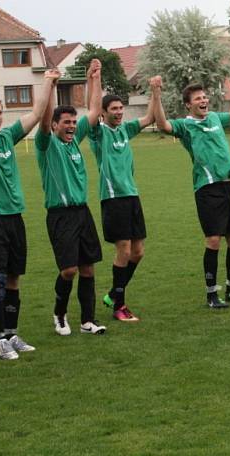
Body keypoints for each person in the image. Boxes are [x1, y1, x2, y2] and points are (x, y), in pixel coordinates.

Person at [0, 68, 59, 359]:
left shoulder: (7, 137)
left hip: (14, 218)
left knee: (14, 278)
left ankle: (12, 334)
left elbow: (38, 112)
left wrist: (47, 81)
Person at [152, 71, 230, 309]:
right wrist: (156, 94)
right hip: (207, 190)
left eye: (204, 97)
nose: (203, 100)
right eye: (198, 98)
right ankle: (211, 294)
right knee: (214, 240)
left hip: (229, 186)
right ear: (188, 104)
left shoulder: (216, 118)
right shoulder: (185, 126)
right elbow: (163, 125)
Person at [36, 59, 107, 336]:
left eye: (73, 122)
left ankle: (88, 321)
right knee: (69, 271)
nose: (71, 126)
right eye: (66, 122)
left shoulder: (76, 141)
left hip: (82, 213)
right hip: (60, 215)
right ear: (55, 125)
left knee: (88, 268)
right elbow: (42, 120)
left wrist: (94, 78)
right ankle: (59, 314)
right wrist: (50, 85)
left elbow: (95, 109)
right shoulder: (46, 145)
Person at [90, 74, 159, 322]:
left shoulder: (125, 130)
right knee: (124, 249)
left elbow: (150, 117)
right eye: (114, 109)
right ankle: (120, 305)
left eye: (121, 108)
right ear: (104, 112)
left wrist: (155, 92)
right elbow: (93, 108)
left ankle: (112, 294)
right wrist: (96, 80)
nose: (119, 112)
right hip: (112, 198)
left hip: (132, 196)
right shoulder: (99, 133)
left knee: (138, 252)